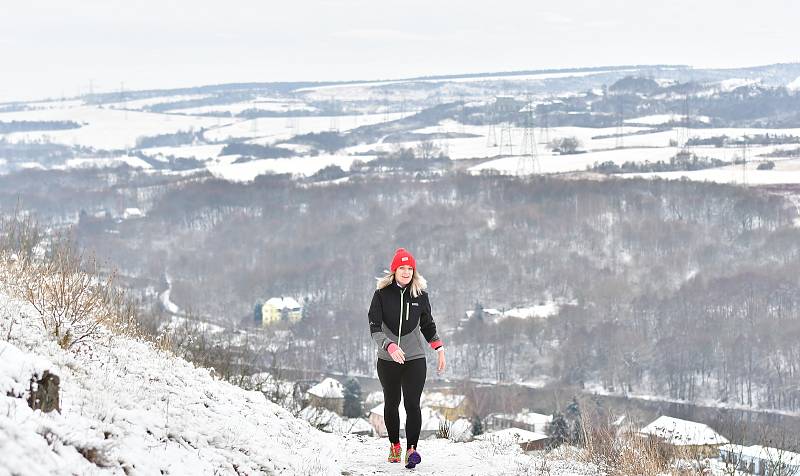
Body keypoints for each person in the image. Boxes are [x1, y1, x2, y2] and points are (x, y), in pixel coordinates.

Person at [368, 248, 446, 469]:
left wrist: (439, 348)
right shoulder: (381, 295)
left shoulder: (420, 296)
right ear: (394, 270)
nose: (406, 272)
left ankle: (412, 450)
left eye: (409, 268)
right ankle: (394, 444)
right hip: (388, 359)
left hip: (414, 358)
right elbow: (374, 327)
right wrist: (389, 345)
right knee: (392, 403)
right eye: (402, 268)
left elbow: (428, 325)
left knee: (413, 403)